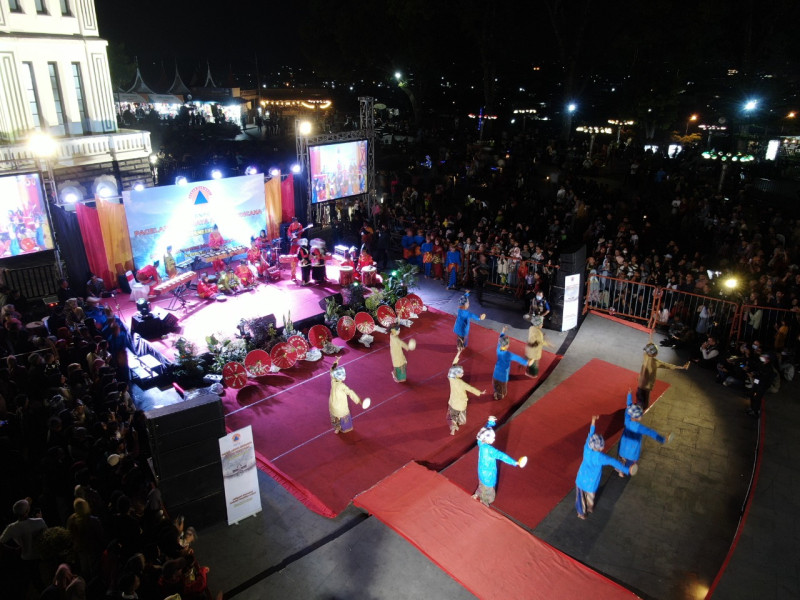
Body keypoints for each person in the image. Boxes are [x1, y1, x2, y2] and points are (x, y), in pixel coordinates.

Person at [575, 415, 636, 520]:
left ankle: (581, 513)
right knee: (591, 495)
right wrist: (626, 470)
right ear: (600, 448)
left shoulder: (587, 448)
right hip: (592, 483)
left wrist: (593, 421)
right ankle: (590, 508)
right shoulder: (600, 457)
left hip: (581, 479)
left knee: (580, 499)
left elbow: (590, 434)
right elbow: (614, 462)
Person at [472, 416, 527, 506]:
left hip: (481, 472)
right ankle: (484, 502)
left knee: (481, 484)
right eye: (492, 438)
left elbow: (483, 431)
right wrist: (515, 462)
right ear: (486, 439)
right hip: (489, 475)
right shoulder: (490, 450)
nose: (494, 439)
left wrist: (490, 422)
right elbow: (502, 456)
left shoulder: (480, 443)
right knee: (489, 492)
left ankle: (477, 494)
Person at [618, 389, 672, 474]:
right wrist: (663, 439)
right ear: (636, 418)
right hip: (632, 450)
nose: (642, 415)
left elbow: (629, 406)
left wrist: (629, 395)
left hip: (623, 446)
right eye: (640, 415)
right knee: (630, 463)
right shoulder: (638, 427)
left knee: (622, 458)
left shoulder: (627, 419)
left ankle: (620, 469)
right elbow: (650, 432)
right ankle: (626, 471)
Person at [0, 498, 48, 590]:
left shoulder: (11, 528)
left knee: (35, 579)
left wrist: (13, 550)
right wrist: (40, 519)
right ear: (27, 510)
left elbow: (1, 542)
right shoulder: (39, 521)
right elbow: (47, 535)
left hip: (26, 557)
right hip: (41, 555)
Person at [637, 342, 689, 410]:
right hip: (647, 386)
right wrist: (682, 367)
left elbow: (647, 348)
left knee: (640, 397)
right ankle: (640, 409)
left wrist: (650, 338)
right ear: (655, 354)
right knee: (645, 403)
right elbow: (668, 366)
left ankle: (638, 406)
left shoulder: (645, 356)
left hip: (640, 382)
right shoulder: (656, 362)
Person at [447, 350, 485, 435]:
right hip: (461, 404)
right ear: (457, 374)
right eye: (461, 373)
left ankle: (453, 426)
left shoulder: (451, 378)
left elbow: (453, 365)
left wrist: (458, 353)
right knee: (462, 418)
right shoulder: (462, 383)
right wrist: (480, 392)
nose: (463, 374)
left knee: (453, 416)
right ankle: (458, 423)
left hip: (453, 402)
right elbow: (470, 388)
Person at [328, 358, 370, 434]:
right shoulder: (342, 386)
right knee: (344, 419)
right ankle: (346, 429)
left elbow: (332, 370)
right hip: (341, 409)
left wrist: (336, 362)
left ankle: (337, 429)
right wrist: (360, 401)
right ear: (342, 377)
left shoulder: (333, 380)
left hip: (332, 407)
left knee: (335, 418)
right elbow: (351, 393)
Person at [492, 326, 531, 400]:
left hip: (496, 373)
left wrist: (503, 331)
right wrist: (530, 361)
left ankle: (496, 392)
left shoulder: (498, 348)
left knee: (496, 385)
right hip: (503, 376)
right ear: (507, 345)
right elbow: (521, 360)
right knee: (502, 391)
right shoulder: (509, 354)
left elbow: (500, 339)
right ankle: (498, 396)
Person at [746, 353, 775, 418]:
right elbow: (757, 370)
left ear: (768, 360)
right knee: (751, 394)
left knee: (757, 398)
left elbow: (764, 377)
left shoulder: (769, 369)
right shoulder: (761, 364)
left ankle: (755, 411)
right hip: (757, 381)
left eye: (765, 357)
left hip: (762, 384)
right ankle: (752, 407)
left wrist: (754, 375)